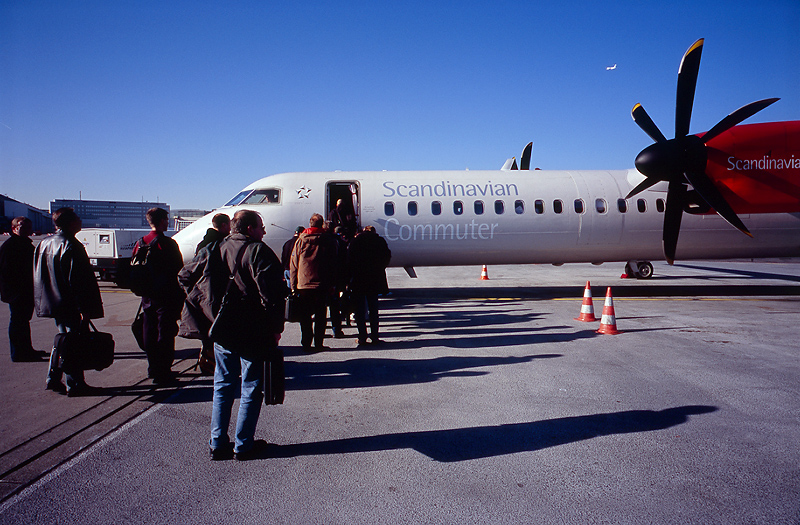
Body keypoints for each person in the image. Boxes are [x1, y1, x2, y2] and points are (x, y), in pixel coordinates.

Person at [207, 210, 286, 460]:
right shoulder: (258, 251)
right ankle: (243, 445)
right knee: (251, 386)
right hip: (251, 329)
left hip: (223, 327)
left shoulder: (215, 248)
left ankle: (217, 443)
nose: (264, 232)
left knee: (222, 385)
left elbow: (187, 276)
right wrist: (276, 329)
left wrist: (209, 311)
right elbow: (272, 295)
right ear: (250, 228)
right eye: (261, 227)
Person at [34, 208, 104, 396]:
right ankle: (75, 383)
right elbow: (78, 281)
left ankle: (53, 377)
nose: (81, 221)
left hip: (53, 301)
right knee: (73, 343)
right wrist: (84, 308)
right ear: (71, 223)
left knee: (63, 340)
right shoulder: (71, 245)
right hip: (70, 303)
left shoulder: (45, 243)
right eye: (78, 219)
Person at [131, 208, 185, 385]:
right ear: (162, 221)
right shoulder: (167, 243)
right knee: (165, 332)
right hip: (166, 295)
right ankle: (163, 371)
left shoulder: (140, 242)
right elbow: (179, 269)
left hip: (147, 295)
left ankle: (153, 367)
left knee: (149, 329)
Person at [0, 217, 48, 362]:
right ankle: (18, 353)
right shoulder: (10, 246)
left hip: (26, 290)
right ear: (14, 228)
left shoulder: (26, 244)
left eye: (29, 226)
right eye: (22, 226)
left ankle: (26, 349)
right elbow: (5, 272)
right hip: (17, 292)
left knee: (23, 321)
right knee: (18, 321)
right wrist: (13, 293)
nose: (27, 229)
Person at [290, 213, 338, 350]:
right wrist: (333, 283)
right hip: (322, 284)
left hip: (304, 284)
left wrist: (293, 285)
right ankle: (318, 343)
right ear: (322, 224)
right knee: (320, 316)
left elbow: (294, 264)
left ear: (310, 224)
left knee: (305, 316)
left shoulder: (300, 240)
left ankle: (306, 342)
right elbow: (333, 264)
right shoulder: (328, 240)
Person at [193, 213, 230, 375]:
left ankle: (206, 361)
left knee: (206, 331)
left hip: (203, 293)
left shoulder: (202, 244)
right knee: (219, 330)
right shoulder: (222, 244)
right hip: (218, 292)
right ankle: (216, 364)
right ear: (223, 226)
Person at [348, 225, 391, 346]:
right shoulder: (380, 241)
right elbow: (387, 256)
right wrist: (380, 268)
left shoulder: (356, 241)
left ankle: (362, 337)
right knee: (373, 309)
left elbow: (349, 259)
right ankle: (375, 336)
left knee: (360, 310)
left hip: (359, 279)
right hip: (374, 278)